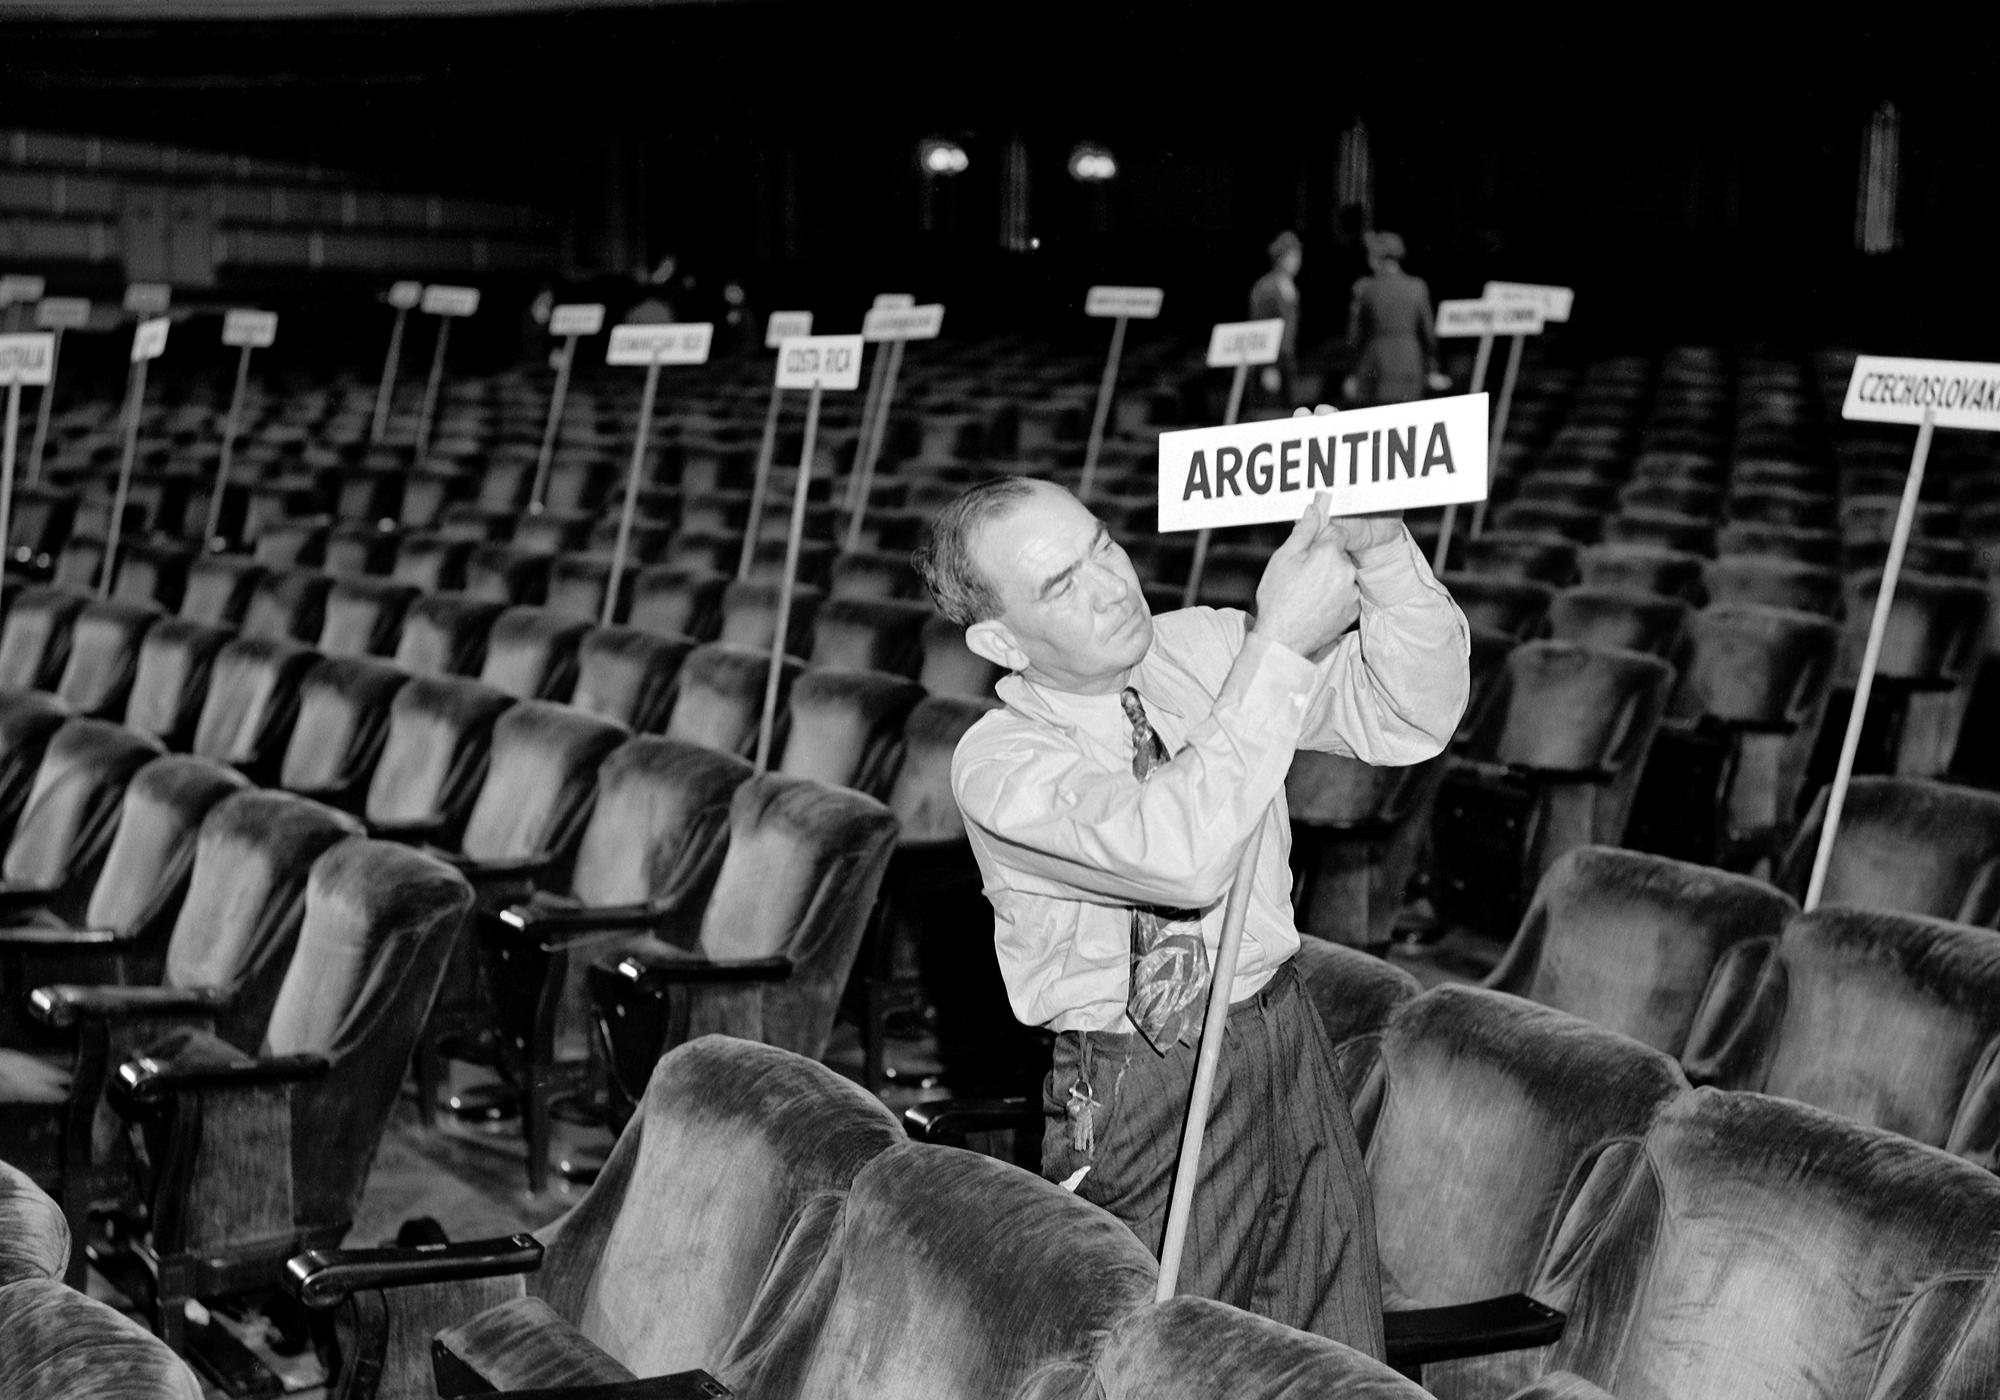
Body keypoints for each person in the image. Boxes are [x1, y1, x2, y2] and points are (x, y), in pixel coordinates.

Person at [912, 438, 1469, 1354]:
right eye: (1061, 586)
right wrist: (1280, 649)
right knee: (1157, 1358)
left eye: (1103, 546)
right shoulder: (999, 762)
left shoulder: (1208, 646)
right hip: (1141, 1077)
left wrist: (1382, 552)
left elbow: (1413, 714)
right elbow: (1179, 857)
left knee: (1327, 1347)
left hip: (1282, 1030)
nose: (1110, 585)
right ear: (1000, 641)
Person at [1342, 231, 1449, 405]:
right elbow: (1428, 334)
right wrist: (1432, 367)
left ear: (1376, 257)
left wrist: (1351, 371)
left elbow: (1354, 337)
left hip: (1375, 369)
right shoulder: (1418, 287)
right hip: (1411, 367)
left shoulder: (1366, 288)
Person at [1249, 232, 1303, 406]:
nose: (1296, 261)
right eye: (1292, 256)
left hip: (1287, 359)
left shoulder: (1292, 288)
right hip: (1270, 360)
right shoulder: (1266, 288)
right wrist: (1267, 367)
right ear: (1280, 258)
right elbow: (1260, 328)